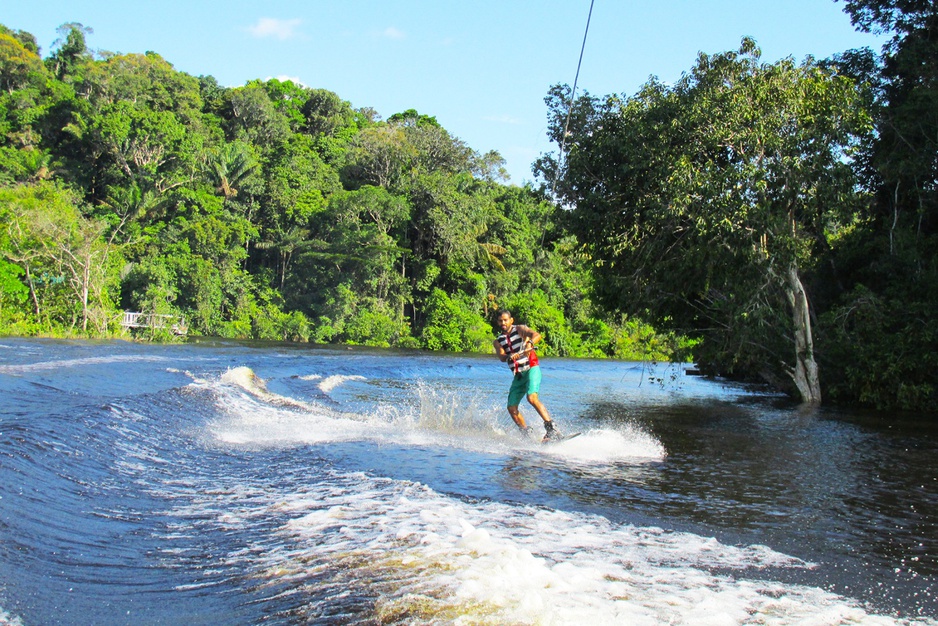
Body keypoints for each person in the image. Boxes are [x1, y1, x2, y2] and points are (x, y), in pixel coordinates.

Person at [492, 309, 560, 442]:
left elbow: (536, 335)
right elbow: (501, 356)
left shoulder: (520, 329)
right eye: (500, 321)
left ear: (511, 320)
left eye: (506, 320)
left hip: (531, 368)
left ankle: (552, 429)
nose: (503, 323)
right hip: (518, 375)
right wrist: (509, 355)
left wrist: (530, 342)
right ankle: (526, 433)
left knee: (532, 397)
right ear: (498, 322)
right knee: (511, 407)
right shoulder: (498, 341)